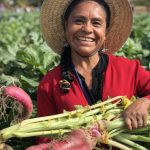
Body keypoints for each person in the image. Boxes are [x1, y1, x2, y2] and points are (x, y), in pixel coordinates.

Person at [37, 0, 150, 147]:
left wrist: (144, 102)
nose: (87, 29)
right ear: (66, 25)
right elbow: (44, 141)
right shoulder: (48, 84)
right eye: (79, 21)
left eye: (96, 23)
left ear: (106, 32)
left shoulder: (129, 69)